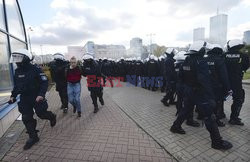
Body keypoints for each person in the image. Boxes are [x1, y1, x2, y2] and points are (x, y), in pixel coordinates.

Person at [170, 41, 233, 150]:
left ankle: (175, 126)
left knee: (186, 110)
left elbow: (181, 77)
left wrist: (187, 88)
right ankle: (217, 142)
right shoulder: (201, 62)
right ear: (201, 50)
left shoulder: (187, 61)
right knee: (210, 116)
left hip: (189, 91)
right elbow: (205, 81)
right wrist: (210, 97)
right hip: (200, 93)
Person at [8, 49, 56, 150]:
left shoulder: (35, 69)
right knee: (26, 117)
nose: (16, 60)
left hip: (37, 96)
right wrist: (13, 96)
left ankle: (52, 116)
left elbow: (44, 82)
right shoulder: (17, 71)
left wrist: (41, 94)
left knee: (41, 114)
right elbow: (17, 86)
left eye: (18, 58)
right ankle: (33, 137)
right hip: (25, 98)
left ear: (25, 58)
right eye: (15, 58)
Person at [224, 39, 250, 125]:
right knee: (239, 99)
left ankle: (219, 115)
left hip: (224, 82)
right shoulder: (244, 56)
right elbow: (246, 66)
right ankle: (234, 118)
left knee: (219, 99)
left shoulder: (223, 55)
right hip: (236, 83)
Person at [206, 44, 231, 127]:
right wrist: (228, 88)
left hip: (206, 86)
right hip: (217, 87)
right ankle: (215, 121)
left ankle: (206, 116)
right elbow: (224, 76)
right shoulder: (220, 60)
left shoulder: (205, 59)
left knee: (208, 102)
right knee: (217, 104)